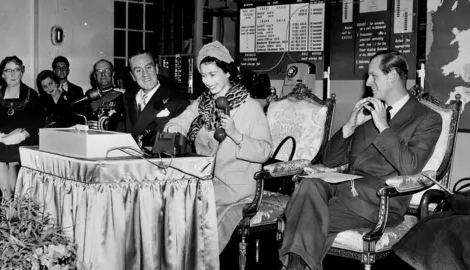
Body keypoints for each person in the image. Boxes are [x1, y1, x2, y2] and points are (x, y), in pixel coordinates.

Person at [280, 50, 443, 270]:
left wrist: (383, 126)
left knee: (300, 215)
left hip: (379, 201)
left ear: (393, 76)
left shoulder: (427, 118)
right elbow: (329, 160)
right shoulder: (369, 110)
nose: (368, 82)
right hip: (345, 187)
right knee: (309, 185)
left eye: (374, 76)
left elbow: (410, 166)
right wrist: (350, 126)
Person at [164, 41, 273, 252]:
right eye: (203, 76)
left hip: (236, 187)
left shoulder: (249, 106)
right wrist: (174, 127)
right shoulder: (204, 102)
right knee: (171, 203)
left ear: (228, 72)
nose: (207, 81)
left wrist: (236, 135)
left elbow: (265, 151)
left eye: (213, 75)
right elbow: (185, 118)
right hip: (208, 180)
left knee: (188, 212)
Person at [0, 56, 45, 199]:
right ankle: (7, 202)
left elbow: (39, 121)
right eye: (9, 70)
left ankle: (14, 204)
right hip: (1, 142)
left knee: (14, 159)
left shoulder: (32, 95)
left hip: (24, 142)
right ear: (2, 74)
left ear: (22, 72)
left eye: (17, 70)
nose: (13, 74)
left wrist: (22, 135)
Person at [124, 51, 190, 147]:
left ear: (156, 69)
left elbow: (179, 144)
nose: (145, 74)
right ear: (133, 76)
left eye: (149, 67)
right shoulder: (128, 97)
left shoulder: (178, 101)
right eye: (138, 70)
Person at [74, 59, 125, 131]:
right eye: (98, 71)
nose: (103, 74)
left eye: (106, 70)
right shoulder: (88, 96)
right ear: (95, 76)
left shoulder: (122, 95)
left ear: (113, 73)